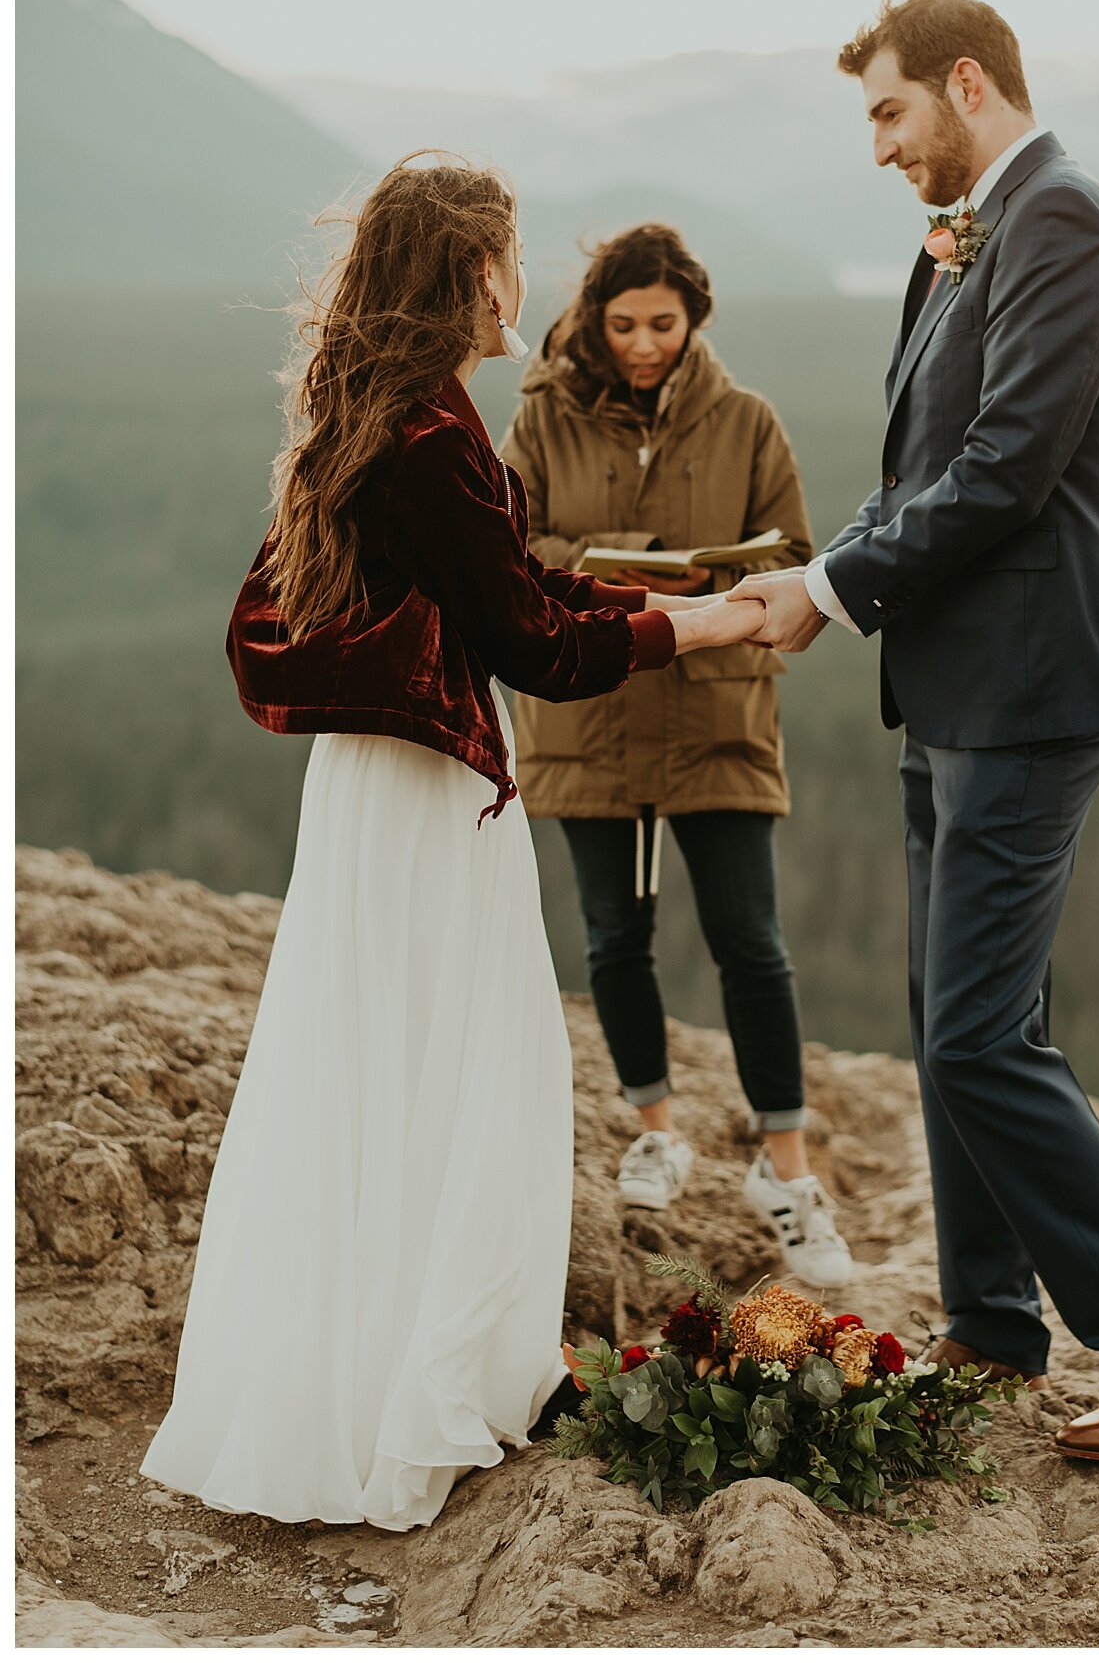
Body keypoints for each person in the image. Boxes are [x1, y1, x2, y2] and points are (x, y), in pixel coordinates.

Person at [140, 156, 763, 1531]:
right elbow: (528, 640)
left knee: (382, 1058)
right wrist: (699, 625)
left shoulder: (392, 416)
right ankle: (435, 1388)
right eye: (510, 254)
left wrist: (681, 608)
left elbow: (509, 586)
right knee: (467, 1060)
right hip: (430, 790)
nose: (524, 280)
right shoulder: (430, 435)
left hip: (385, 783)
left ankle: (376, 1370)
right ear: (468, 274)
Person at [730, 0, 1099, 1466]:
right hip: (947, 690)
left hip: (1030, 689)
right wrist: (814, 572)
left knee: (975, 1038)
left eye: (891, 113)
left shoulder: (1065, 218)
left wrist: (829, 590)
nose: (881, 149)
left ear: (967, 83)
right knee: (953, 1024)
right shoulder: (964, 240)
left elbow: (1011, 468)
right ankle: (992, 1324)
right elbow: (924, 465)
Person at [499, 222, 853, 1289]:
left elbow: (795, 554)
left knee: (753, 940)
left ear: (695, 316)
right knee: (615, 935)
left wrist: (717, 580)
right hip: (589, 712)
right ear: (594, 323)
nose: (644, 343)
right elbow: (502, 555)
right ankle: (656, 1125)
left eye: (663, 321)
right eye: (623, 324)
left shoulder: (748, 422)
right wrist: (626, 570)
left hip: (716, 713)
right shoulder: (540, 419)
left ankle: (787, 1171)